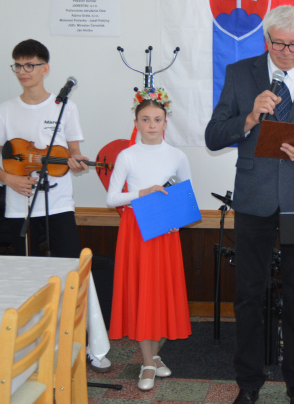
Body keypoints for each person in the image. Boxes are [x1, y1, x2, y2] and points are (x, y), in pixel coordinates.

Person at [205, 4, 294, 404]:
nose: (286, 52)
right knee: (249, 297)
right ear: (266, 39)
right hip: (254, 199)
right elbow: (214, 135)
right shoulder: (240, 73)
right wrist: (249, 118)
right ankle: (249, 384)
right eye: (278, 44)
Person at [0, 39, 112, 372]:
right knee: (25, 280)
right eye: (18, 65)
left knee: (71, 275)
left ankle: (84, 345)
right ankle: (29, 348)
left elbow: (73, 153)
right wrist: (10, 180)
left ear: (45, 68)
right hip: (20, 209)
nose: (22, 71)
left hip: (58, 204)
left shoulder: (65, 107)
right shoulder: (5, 110)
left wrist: (78, 162)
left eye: (29, 65)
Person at [106, 88, 193, 391]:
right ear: (136, 123)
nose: (152, 125)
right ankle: (147, 362)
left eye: (157, 119)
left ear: (165, 122)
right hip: (136, 229)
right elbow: (111, 198)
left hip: (165, 232)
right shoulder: (127, 155)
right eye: (145, 119)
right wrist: (142, 193)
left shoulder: (177, 156)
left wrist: (177, 221)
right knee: (143, 292)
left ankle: (154, 356)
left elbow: (186, 195)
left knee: (159, 292)